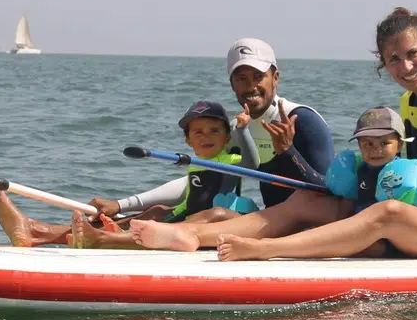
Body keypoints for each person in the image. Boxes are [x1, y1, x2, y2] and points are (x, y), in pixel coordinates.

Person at [130, 7, 417, 296]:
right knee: (304, 201)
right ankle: (196, 237)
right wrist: (291, 153)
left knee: (387, 211)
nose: (405, 66)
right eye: (393, 59)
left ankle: (266, 250)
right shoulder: (409, 101)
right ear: (382, 62)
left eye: (411, 53)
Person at [89, 38, 335, 217]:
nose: (251, 87)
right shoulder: (237, 131)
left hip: (305, 227)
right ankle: (71, 232)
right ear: (232, 84)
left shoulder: (303, 121)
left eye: (258, 77)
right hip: (269, 220)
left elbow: (328, 193)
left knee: (210, 217)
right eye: (241, 79)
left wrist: (288, 152)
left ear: (276, 78)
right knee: (158, 211)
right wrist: (123, 204)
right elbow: (200, 180)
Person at [0, 101, 257, 246]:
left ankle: (81, 236)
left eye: (214, 131)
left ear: (226, 137)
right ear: (188, 140)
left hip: (208, 222)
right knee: (156, 211)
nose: (206, 137)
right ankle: (38, 232)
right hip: (184, 217)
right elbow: (187, 196)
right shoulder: (195, 163)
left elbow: (251, 162)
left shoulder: (229, 159)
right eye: (198, 132)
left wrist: (243, 131)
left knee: (164, 217)